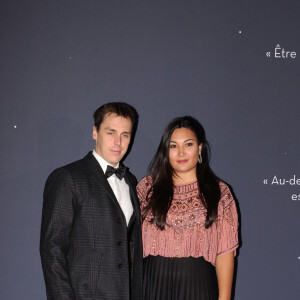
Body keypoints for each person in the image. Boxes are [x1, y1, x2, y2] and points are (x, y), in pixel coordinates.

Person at [40, 102, 143, 300]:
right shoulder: (67, 177)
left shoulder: (130, 181)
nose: (118, 142)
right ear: (95, 132)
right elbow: (52, 249)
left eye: (125, 135)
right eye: (110, 132)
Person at [137, 116, 239, 300]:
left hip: (199, 288)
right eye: (173, 146)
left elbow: (225, 254)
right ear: (165, 151)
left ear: (200, 148)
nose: (181, 152)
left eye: (188, 144)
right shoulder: (146, 189)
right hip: (151, 287)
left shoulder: (219, 193)